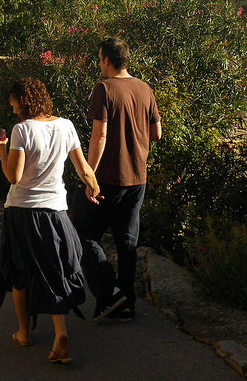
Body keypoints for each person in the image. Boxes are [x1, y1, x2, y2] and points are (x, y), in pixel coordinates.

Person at [0, 77, 102, 364]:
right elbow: (83, 168)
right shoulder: (66, 126)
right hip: (55, 213)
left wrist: (1, 152)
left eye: (14, 105)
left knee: (18, 272)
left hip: (22, 212)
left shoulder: (21, 130)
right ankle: (60, 332)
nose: (14, 111)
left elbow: (14, 177)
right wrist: (92, 185)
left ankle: (24, 333)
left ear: (23, 102)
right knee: (55, 271)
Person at [72, 37, 161, 323]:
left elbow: (100, 135)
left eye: (99, 59)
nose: (99, 64)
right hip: (138, 178)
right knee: (127, 243)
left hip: (109, 177)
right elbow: (156, 133)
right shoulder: (145, 89)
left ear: (107, 60)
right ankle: (127, 304)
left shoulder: (104, 89)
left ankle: (109, 293)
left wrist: (89, 175)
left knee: (82, 235)